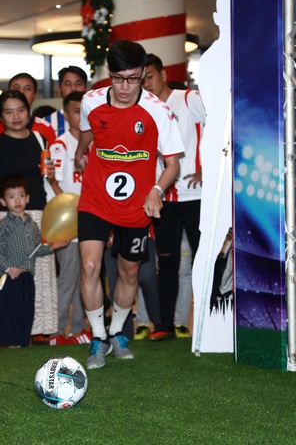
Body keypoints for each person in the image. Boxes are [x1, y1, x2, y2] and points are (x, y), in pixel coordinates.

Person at [74, 39, 184, 369]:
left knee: (129, 271)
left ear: (144, 74)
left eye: (134, 78)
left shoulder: (156, 109)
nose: (125, 87)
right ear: (109, 73)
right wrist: (81, 153)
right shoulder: (91, 100)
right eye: (119, 78)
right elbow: (86, 133)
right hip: (95, 197)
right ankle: (98, 338)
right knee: (90, 266)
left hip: (137, 203)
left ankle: (118, 331)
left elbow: (174, 163)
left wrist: (156, 190)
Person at [0, 90, 59, 344]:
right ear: (0, 117)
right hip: (8, 219)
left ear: (29, 112)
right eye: (8, 111)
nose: (16, 116)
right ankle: (7, 331)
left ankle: (40, 329)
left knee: (41, 273)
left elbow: (46, 178)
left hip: (38, 214)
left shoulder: (39, 139)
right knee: (10, 275)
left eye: (20, 110)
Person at [141, 53, 206, 341]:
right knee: (166, 262)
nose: (147, 84)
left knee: (203, 260)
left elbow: (221, 127)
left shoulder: (188, 98)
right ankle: (165, 325)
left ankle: (212, 321)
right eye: (141, 80)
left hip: (196, 194)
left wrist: (208, 166)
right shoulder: (144, 110)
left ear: (163, 74)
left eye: (150, 77)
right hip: (164, 198)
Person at [0, 176, 67, 347]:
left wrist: (53, 247)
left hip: (27, 274)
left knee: (26, 309)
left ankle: (22, 340)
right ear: (3, 201)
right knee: (10, 309)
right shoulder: (3, 225)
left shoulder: (32, 223)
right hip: (10, 276)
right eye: (11, 197)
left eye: (21, 196)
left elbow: (36, 250)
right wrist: (8, 268)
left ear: (28, 198)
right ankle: (10, 342)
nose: (17, 200)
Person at [48, 91, 91, 344]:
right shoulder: (60, 145)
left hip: (89, 218)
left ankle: (77, 329)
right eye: (76, 111)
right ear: (66, 114)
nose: (80, 115)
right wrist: (67, 214)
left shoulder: (94, 144)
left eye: (83, 110)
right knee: (68, 277)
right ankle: (56, 329)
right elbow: (52, 184)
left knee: (84, 276)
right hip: (67, 220)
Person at [0, 73, 56, 146]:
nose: (21, 92)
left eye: (27, 89)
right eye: (16, 88)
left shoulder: (45, 128)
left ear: (35, 96)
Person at [45, 66, 88, 137]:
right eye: (67, 84)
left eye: (78, 84)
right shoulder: (47, 123)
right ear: (59, 89)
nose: (73, 88)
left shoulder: (96, 119)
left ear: (86, 89)